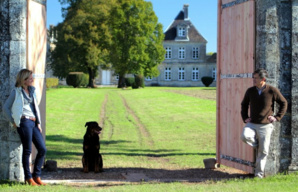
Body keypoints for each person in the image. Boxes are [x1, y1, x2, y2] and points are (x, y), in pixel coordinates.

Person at [240, 68, 287, 178]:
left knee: (264, 152)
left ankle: (258, 175)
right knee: (244, 136)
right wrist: (245, 117)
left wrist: (277, 117)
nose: (253, 80)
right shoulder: (250, 91)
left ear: (263, 79)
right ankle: (257, 144)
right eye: (253, 77)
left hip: (266, 125)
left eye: (256, 78)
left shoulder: (272, 91)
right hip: (252, 123)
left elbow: (284, 103)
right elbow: (244, 105)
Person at [3, 69, 47, 186]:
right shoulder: (16, 92)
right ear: (24, 80)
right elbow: (6, 107)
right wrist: (13, 121)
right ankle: (28, 178)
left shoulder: (32, 91)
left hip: (33, 122)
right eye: (30, 78)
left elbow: (35, 108)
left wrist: (38, 122)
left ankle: (36, 176)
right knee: (27, 150)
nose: (32, 79)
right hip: (24, 122)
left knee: (42, 149)